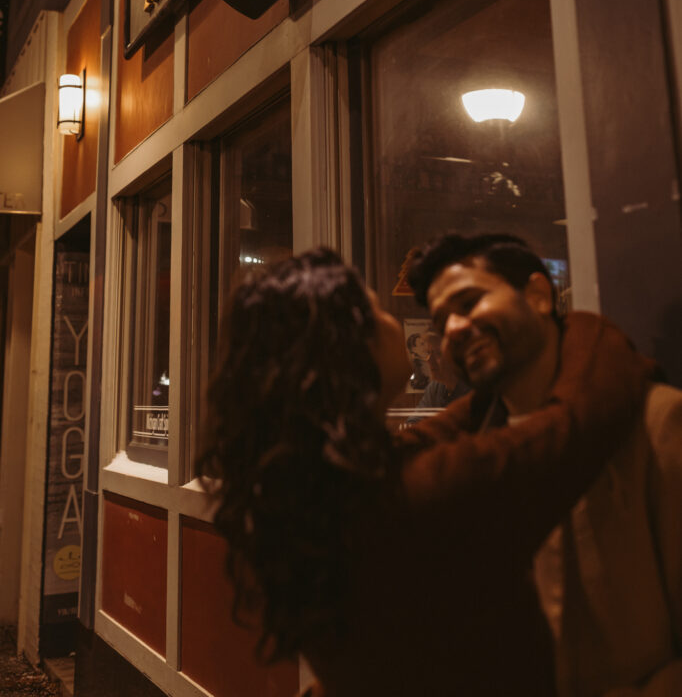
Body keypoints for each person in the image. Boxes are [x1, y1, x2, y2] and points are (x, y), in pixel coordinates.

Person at [197, 247, 652, 697]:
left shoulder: (310, 495)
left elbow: (449, 425)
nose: (448, 329)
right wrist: (575, 324)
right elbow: (578, 421)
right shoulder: (422, 497)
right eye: (377, 310)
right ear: (353, 349)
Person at [407, 232, 682, 697]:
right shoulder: (476, 459)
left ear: (537, 295)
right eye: (441, 321)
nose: (453, 328)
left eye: (469, 301)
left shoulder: (656, 426)